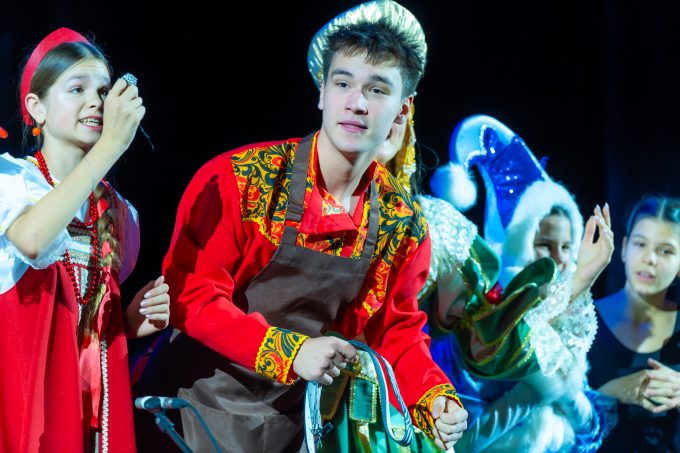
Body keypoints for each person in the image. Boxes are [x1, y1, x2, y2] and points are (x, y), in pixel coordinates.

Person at [135, 1, 468, 452]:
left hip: (290, 426)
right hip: (188, 412)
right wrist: (290, 352)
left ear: (402, 111)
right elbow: (191, 294)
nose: (356, 103)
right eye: (343, 83)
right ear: (321, 93)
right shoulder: (241, 178)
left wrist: (434, 394)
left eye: (377, 90)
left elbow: (395, 329)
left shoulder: (401, 225)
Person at [0, 27, 170, 452]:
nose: (96, 101)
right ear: (36, 108)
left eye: (103, 91)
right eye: (77, 89)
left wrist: (128, 322)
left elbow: (83, 328)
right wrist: (110, 147)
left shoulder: (121, 215)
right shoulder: (12, 183)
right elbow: (32, 240)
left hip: (88, 416)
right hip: (23, 403)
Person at [421, 114, 617, 452]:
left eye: (566, 247)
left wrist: (567, 393)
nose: (558, 259)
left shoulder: (565, 326)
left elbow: (591, 432)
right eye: (544, 244)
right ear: (517, 245)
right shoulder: (474, 327)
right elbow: (456, 445)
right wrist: (531, 394)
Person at [588, 195, 680, 452]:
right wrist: (612, 392)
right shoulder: (585, 320)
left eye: (665, 251)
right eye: (640, 244)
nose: (650, 258)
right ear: (624, 248)